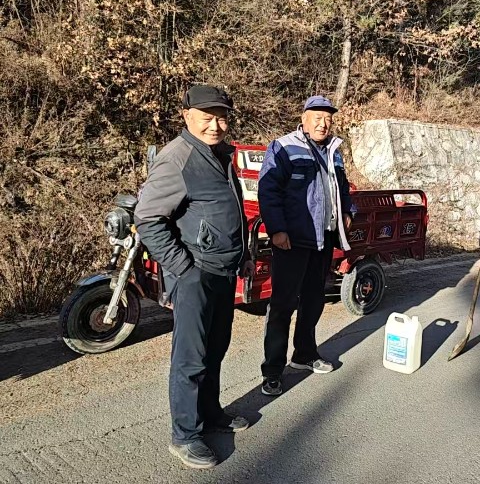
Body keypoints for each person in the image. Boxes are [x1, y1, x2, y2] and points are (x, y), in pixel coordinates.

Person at [134, 84, 254, 469]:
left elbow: (230, 210)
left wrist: (244, 255)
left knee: (215, 348)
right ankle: (185, 435)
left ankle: (211, 414)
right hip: (195, 273)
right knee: (191, 357)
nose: (215, 125)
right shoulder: (177, 158)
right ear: (187, 116)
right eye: (207, 117)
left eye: (222, 117)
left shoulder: (221, 154)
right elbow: (148, 218)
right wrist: (183, 268)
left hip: (224, 269)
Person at [258, 95, 356, 396]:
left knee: (313, 300)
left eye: (328, 118)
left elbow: (342, 186)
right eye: (317, 117)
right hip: (293, 240)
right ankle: (273, 371)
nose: (323, 123)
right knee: (283, 305)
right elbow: (268, 190)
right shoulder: (284, 147)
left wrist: (348, 211)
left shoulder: (334, 151)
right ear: (304, 119)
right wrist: (277, 230)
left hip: (323, 238)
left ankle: (304, 354)